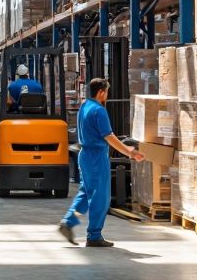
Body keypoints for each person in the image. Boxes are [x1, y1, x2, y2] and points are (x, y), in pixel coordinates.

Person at [59, 78, 144, 248]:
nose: (107, 95)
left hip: (84, 155)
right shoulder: (99, 110)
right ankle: (94, 235)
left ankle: (68, 223)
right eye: (106, 92)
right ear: (101, 92)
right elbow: (109, 137)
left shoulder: (84, 106)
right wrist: (129, 152)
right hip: (97, 157)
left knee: (85, 192)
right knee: (101, 197)